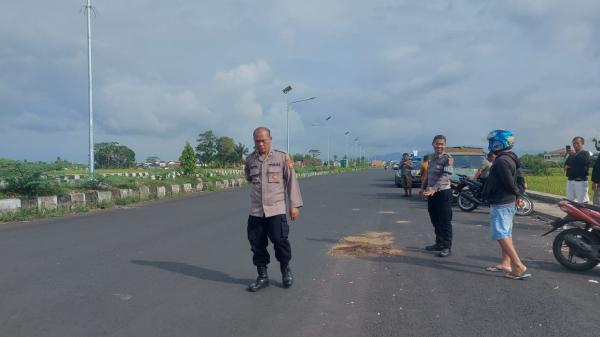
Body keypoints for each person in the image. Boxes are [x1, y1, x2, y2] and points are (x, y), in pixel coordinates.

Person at [244, 127, 303, 292]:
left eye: (264, 140)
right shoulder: (250, 160)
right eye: (257, 141)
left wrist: (294, 205)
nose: (261, 144)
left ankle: (285, 269)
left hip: (276, 209)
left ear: (270, 139)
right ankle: (262, 276)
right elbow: (249, 177)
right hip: (256, 210)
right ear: (254, 141)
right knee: (256, 244)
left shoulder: (282, 157)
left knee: (280, 241)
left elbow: (291, 181)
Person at [481, 130, 531, 280]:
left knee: (500, 233)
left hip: (502, 202)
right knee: (506, 233)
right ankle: (506, 263)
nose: (490, 144)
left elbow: (509, 183)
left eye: (492, 141)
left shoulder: (502, 161)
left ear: (499, 143)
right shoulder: (511, 157)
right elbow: (518, 179)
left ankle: (518, 265)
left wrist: (517, 194)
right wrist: (517, 195)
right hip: (508, 201)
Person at [421, 135, 454, 257]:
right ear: (433, 144)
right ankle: (439, 243)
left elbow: (446, 176)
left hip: (443, 193)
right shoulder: (431, 158)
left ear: (445, 145)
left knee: (445, 221)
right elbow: (428, 176)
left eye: (442, 144)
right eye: (437, 143)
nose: (439, 146)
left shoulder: (448, 158)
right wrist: (423, 188)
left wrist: (434, 189)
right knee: (435, 219)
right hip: (431, 193)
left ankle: (447, 247)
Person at [564, 137, 591, 203]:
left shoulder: (585, 153)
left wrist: (574, 154)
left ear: (582, 144)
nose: (575, 145)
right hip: (570, 180)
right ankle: (572, 213)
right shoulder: (571, 155)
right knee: (570, 200)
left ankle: (583, 213)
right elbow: (566, 164)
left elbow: (583, 161)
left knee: (582, 201)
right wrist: (566, 166)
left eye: (577, 143)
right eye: (574, 143)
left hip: (580, 181)